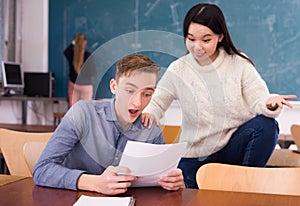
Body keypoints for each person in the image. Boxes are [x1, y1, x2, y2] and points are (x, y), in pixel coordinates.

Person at [142, 3, 297, 188]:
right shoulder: (179, 69)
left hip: (232, 149)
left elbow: (259, 99)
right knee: (177, 191)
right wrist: (150, 113)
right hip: (196, 156)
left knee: (266, 125)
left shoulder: (239, 63)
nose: (197, 47)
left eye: (205, 40)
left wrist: (269, 104)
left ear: (220, 37)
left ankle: (246, 187)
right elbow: (158, 102)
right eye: (191, 39)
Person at [33, 54, 185, 195]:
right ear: (114, 87)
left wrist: (173, 182)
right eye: (130, 90)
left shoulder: (151, 129)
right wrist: (94, 183)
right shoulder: (82, 113)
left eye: (147, 94)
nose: (138, 102)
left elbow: (159, 181)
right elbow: (42, 170)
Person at [64, 33, 94, 108]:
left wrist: (74, 42)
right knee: (86, 110)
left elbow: (66, 51)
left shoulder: (71, 54)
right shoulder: (88, 56)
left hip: (74, 85)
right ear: (85, 42)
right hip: (86, 86)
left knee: (73, 110)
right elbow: (93, 72)